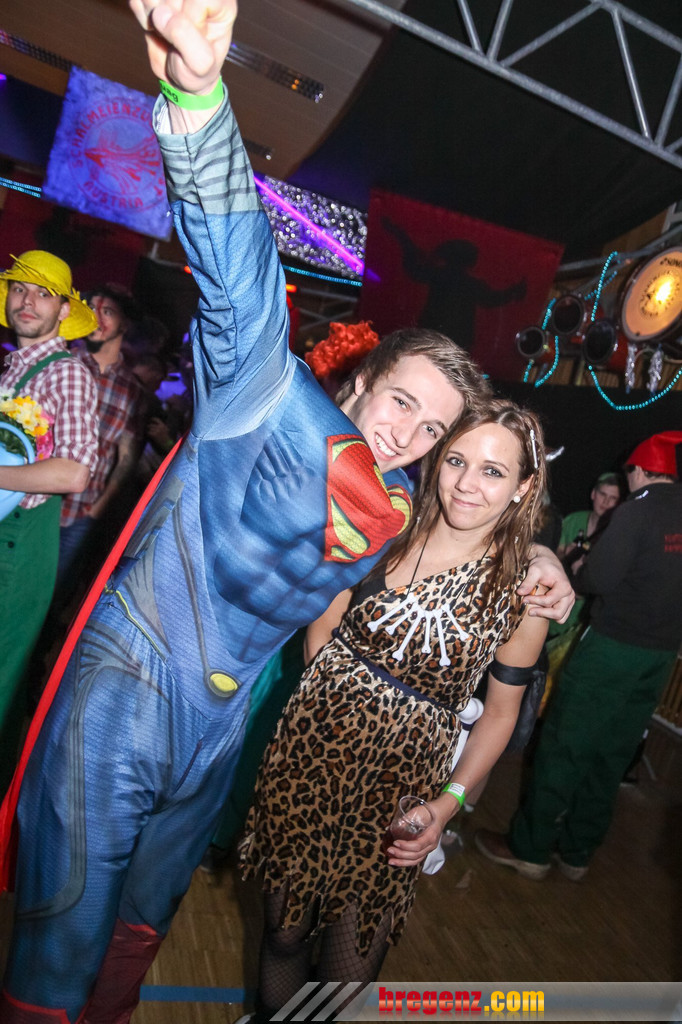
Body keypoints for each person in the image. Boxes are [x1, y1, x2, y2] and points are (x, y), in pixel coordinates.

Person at [0, 4, 572, 1021]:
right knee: (65, 931)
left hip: (219, 726)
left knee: (142, 926)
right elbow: (239, 268)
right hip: (130, 689)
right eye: (399, 402)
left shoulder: (402, 501)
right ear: (360, 381)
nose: (407, 434)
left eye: (430, 427)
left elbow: (472, 532)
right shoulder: (265, 398)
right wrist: (196, 96)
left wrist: (543, 563)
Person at [239, 400, 550, 1022]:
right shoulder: (387, 529)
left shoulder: (525, 592)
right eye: (457, 461)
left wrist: (448, 804)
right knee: (283, 933)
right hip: (310, 758)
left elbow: (499, 715)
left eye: (493, 471)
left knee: (349, 966)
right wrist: (332, 716)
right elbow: (323, 630)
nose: (467, 483)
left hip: (402, 789)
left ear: (524, 486)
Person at [475, 431, 682, 881]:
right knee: (613, 754)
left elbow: (597, 580)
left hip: (611, 648)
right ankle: (578, 851)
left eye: (629, 475)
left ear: (639, 471)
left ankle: (529, 849)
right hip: (661, 656)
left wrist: (577, 567)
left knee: (565, 745)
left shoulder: (637, 509)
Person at [0, 250, 98, 796]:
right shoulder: (12, 367)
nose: (27, 301)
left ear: (63, 311)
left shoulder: (67, 373)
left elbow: (76, 472)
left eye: (43, 294)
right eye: (19, 289)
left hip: (20, 547)